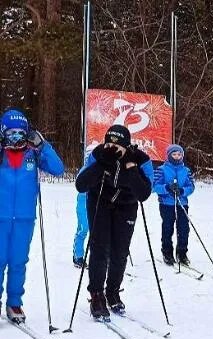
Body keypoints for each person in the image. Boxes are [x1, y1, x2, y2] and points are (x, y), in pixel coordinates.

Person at [75, 125, 153, 320]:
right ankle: (96, 294)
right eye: (109, 143)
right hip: (100, 201)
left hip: (126, 206)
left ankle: (113, 291)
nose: (113, 148)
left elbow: (143, 194)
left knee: (120, 251)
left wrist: (131, 168)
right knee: (99, 249)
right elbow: (81, 184)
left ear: (127, 145)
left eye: (118, 146)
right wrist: (102, 164)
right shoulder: (99, 153)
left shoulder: (141, 159)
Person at [0, 109, 64, 323]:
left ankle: (15, 303)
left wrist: (43, 146)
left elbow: (58, 169)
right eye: (11, 134)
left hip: (25, 217)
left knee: (19, 261)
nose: (16, 138)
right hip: (1, 217)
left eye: (21, 134)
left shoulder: (33, 154)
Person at [153, 144, 195, 266]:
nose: (177, 157)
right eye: (174, 154)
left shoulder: (186, 170)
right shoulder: (162, 169)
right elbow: (154, 187)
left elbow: (191, 186)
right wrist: (167, 188)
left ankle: (182, 253)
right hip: (167, 204)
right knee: (167, 227)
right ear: (169, 155)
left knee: (183, 228)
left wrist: (182, 191)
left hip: (182, 203)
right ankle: (167, 252)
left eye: (179, 154)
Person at [73, 144, 98, 268]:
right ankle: (78, 256)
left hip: (97, 203)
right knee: (83, 229)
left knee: (99, 231)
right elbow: (80, 185)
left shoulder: (100, 170)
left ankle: (99, 257)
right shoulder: (84, 170)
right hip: (84, 202)